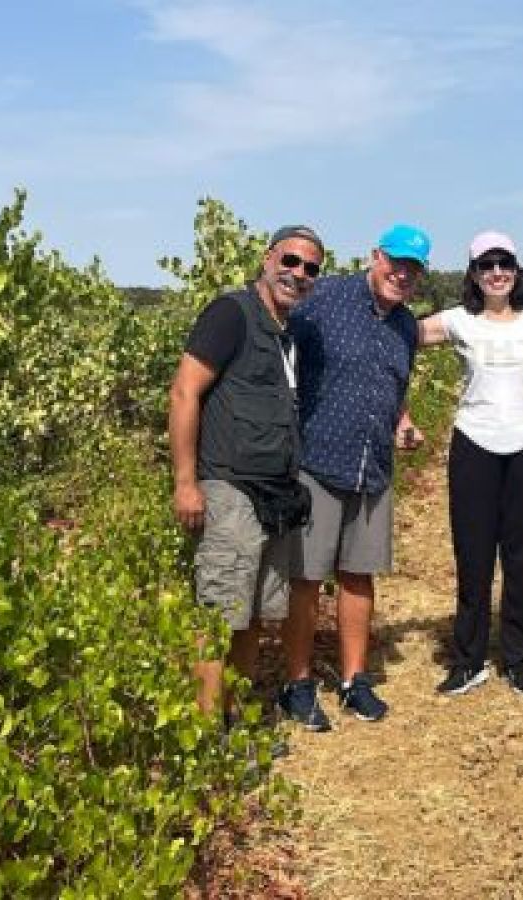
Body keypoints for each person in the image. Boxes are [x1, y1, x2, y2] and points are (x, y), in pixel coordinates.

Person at [168, 225, 332, 732]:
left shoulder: (288, 331)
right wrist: (186, 482)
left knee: (254, 617)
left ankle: (233, 723)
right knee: (218, 621)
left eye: (310, 268)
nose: (298, 273)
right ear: (267, 258)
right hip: (228, 489)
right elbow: (183, 392)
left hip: (274, 497)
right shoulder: (231, 313)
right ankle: (203, 742)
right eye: (290, 260)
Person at [286, 224, 431, 723]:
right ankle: (297, 684)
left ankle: (353, 680)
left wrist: (403, 421)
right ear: (374, 255)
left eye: (412, 268)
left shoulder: (407, 326)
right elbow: (277, 342)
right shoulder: (324, 297)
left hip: (374, 468)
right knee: (305, 579)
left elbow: (392, 388)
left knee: (358, 577)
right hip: (318, 461)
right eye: (395, 262)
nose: (401, 274)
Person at [417, 231, 523, 698]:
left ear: (517, 271)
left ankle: (517, 658)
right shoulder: (457, 321)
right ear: (473, 274)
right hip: (474, 442)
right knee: (472, 556)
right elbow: (397, 335)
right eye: (486, 264)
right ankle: (469, 659)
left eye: (505, 263)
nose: (497, 272)